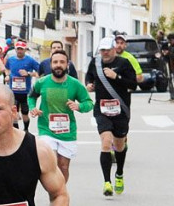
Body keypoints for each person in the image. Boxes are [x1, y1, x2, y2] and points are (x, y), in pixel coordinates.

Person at [83, 37, 137, 196]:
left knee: (119, 146)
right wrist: (89, 84)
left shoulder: (124, 63)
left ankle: (119, 173)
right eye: (102, 50)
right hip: (102, 109)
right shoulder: (96, 63)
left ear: (114, 49)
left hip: (121, 110)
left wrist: (116, 77)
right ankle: (107, 182)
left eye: (107, 49)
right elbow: (89, 76)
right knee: (106, 143)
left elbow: (133, 84)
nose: (105, 53)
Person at [29, 51, 93, 182]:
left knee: (63, 167)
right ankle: (54, 192)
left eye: (62, 62)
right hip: (46, 129)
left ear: (67, 65)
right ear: (51, 65)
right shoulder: (42, 82)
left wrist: (79, 107)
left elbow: (89, 103)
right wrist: (33, 108)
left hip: (67, 132)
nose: (58, 65)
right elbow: (32, 96)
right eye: (55, 62)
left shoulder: (75, 84)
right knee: (50, 163)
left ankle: (61, 192)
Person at [4, 41, 39, 131]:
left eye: (21, 49)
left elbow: (39, 73)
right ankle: (16, 131)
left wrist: (28, 73)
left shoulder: (30, 60)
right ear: (15, 49)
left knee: (24, 113)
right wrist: (7, 75)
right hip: (13, 91)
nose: (19, 51)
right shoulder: (11, 59)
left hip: (25, 92)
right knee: (14, 112)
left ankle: (25, 130)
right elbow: (6, 69)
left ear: (25, 50)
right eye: (18, 49)